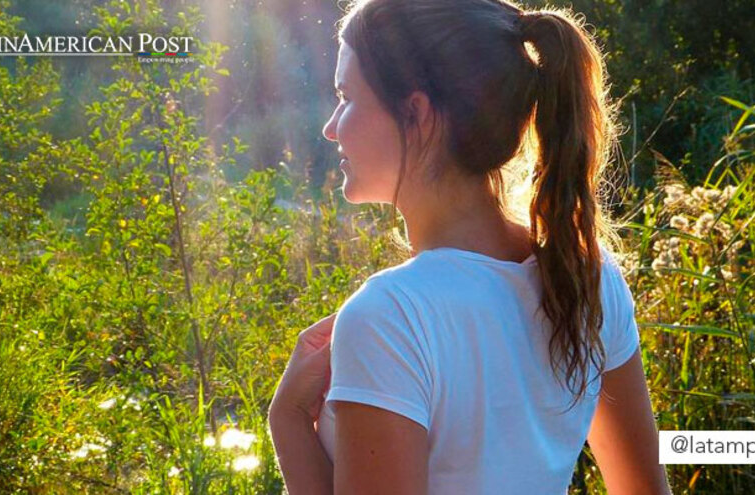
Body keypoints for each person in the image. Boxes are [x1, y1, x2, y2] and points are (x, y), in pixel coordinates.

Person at [268, 0, 671, 493]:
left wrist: (288, 422)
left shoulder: (391, 316)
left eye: (346, 97)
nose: (331, 127)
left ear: (416, 113)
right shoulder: (588, 275)